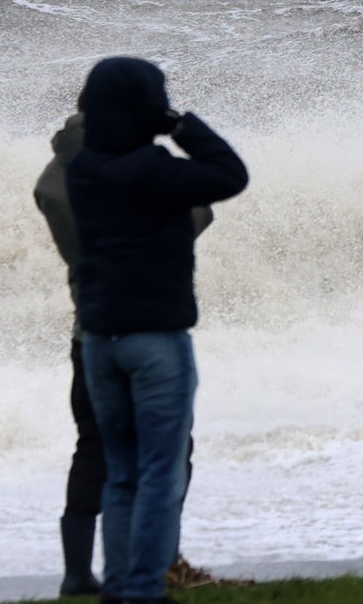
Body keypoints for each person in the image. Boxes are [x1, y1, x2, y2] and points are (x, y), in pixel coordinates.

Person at [66, 56, 249, 604]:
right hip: (155, 342)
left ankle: (120, 586)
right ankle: (143, 590)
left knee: (121, 473)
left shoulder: (81, 170)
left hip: (100, 341)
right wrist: (180, 124)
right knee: (160, 477)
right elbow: (230, 174)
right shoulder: (154, 170)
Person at [34, 98, 217, 596]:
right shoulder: (131, 170)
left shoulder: (54, 177)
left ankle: (76, 573)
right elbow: (199, 211)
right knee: (170, 452)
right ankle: (162, 564)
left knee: (94, 448)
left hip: (90, 332)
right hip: (150, 329)